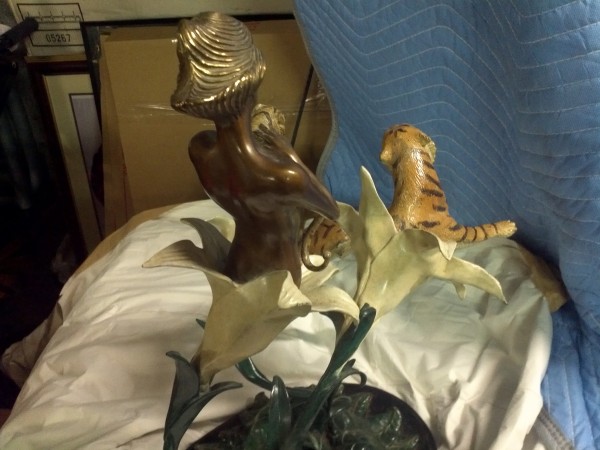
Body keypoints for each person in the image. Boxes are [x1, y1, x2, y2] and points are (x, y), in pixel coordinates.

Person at [171, 12, 339, 286]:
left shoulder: (200, 150)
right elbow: (331, 210)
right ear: (252, 85)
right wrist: (289, 153)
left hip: (238, 264)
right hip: (279, 278)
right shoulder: (283, 176)